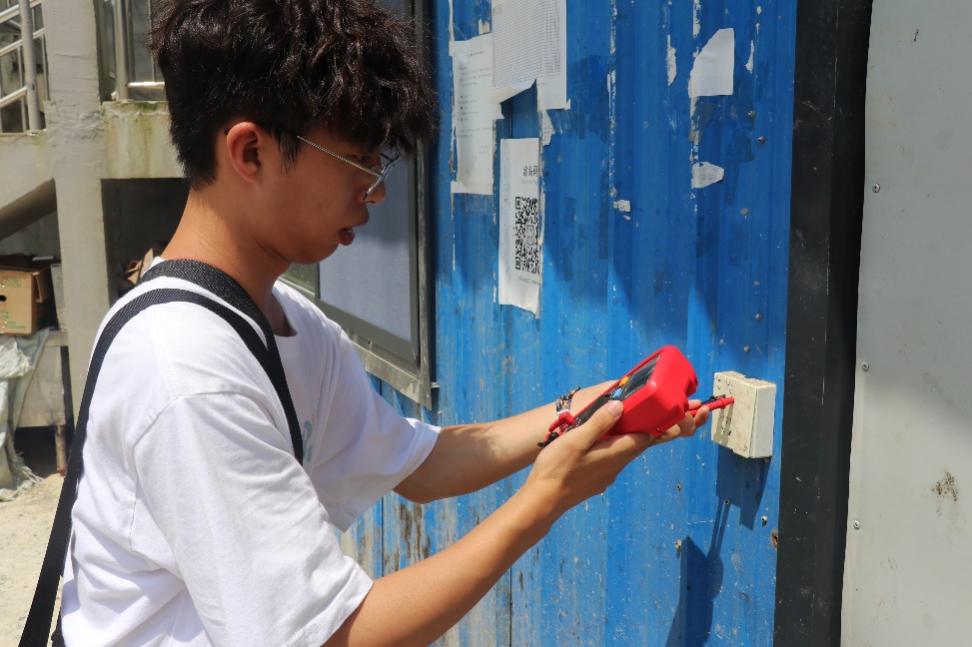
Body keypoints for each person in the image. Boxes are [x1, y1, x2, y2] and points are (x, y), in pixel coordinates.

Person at [59, 1, 709, 645]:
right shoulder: (188, 369)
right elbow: (331, 638)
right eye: (359, 162)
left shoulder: (287, 323)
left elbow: (421, 465)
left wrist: (584, 409)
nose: (376, 191)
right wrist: (544, 501)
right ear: (250, 152)